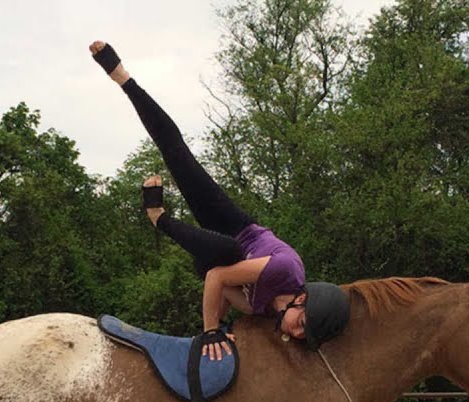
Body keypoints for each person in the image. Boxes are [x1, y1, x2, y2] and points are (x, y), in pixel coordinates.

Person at [91, 41, 350, 361]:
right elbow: (218, 278)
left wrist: (224, 322)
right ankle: (123, 79)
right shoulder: (288, 270)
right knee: (176, 154)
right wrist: (211, 331)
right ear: (302, 301)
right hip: (234, 229)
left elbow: (221, 286)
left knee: (224, 258)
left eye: (303, 335)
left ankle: (163, 221)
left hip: (214, 254)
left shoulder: (265, 309)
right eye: (303, 324)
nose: (296, 333)